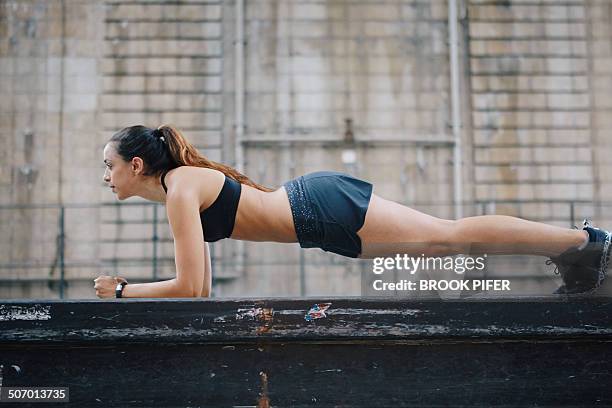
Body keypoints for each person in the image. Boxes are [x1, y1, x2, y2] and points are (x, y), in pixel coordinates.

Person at [94, 124, 611, 298]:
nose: (105, 176)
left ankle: (584, 243)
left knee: (451, 237)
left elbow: (186, 288)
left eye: (109, 166)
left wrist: (122, 290)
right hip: (320, 224)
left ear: (136, 164)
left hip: (315, 207)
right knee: (448, 242)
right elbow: (201, 289)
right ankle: (578, 251)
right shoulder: (178, 193)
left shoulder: (181, 189)